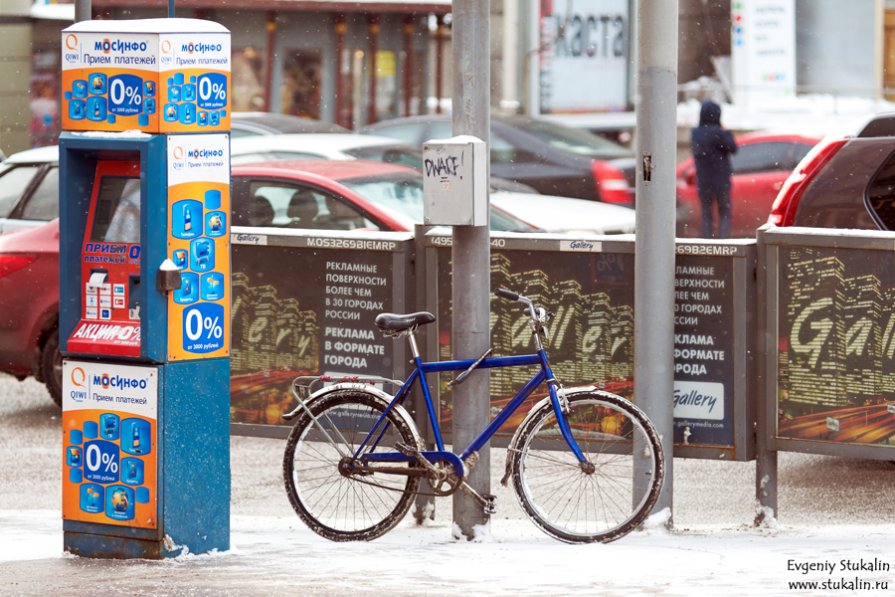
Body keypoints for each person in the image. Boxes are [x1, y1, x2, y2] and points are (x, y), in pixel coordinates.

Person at [691, 99, 737, 238]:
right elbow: (733, 148)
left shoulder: (696, 133)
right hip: (721, 179)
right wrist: (727, 132)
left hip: (703, 180)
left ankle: (707, 241)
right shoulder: (719, 133)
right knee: (724, 212)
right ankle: (723, 242)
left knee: (706, 214)